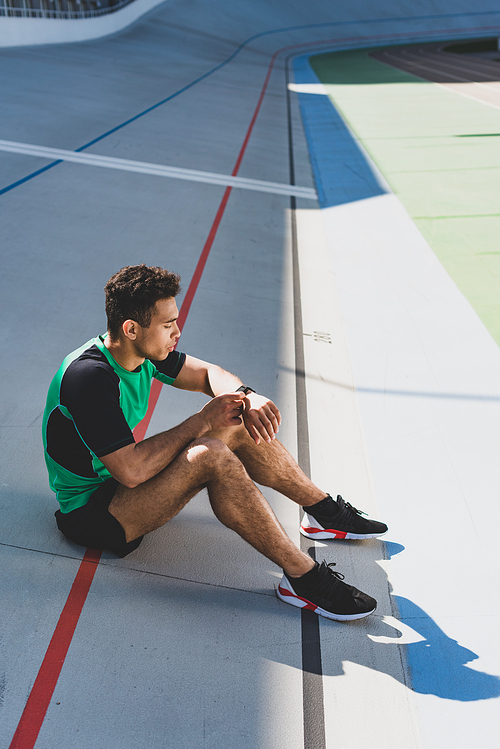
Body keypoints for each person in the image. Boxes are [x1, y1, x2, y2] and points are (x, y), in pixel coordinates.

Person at [42, 264, 388, 621]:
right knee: (212, 455)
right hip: (93, 512)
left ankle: (323, 513)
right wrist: (202, 421)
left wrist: (245, 396)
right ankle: (304, 578)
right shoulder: (90, 378)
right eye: (167, 325)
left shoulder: (138, 353)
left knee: (235, 416)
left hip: (124, 482)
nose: (177, 332)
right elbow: (131, 471)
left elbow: (209, 374)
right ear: (131, 328)